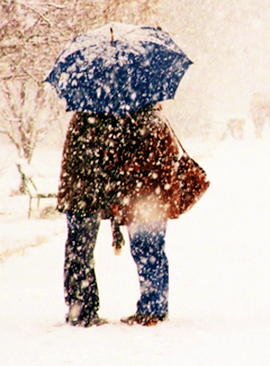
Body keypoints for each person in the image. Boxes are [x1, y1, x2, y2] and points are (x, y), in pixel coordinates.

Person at [112, 102, 182, 327]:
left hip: (142, 202)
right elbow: (170, 159)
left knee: (145, 252)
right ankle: (157, 306)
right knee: (154, 252)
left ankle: (150, 309)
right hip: (156, 201)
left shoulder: (136, 125)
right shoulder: (159, 123)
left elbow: (130, 165)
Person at [57, 112, 124, 327]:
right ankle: (84, 309)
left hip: (76, 198)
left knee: (76, 251)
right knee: (82, 253)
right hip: (86, 200)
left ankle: (78, 306)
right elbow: (97, 167)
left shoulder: (80, 121)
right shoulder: (96, 125)